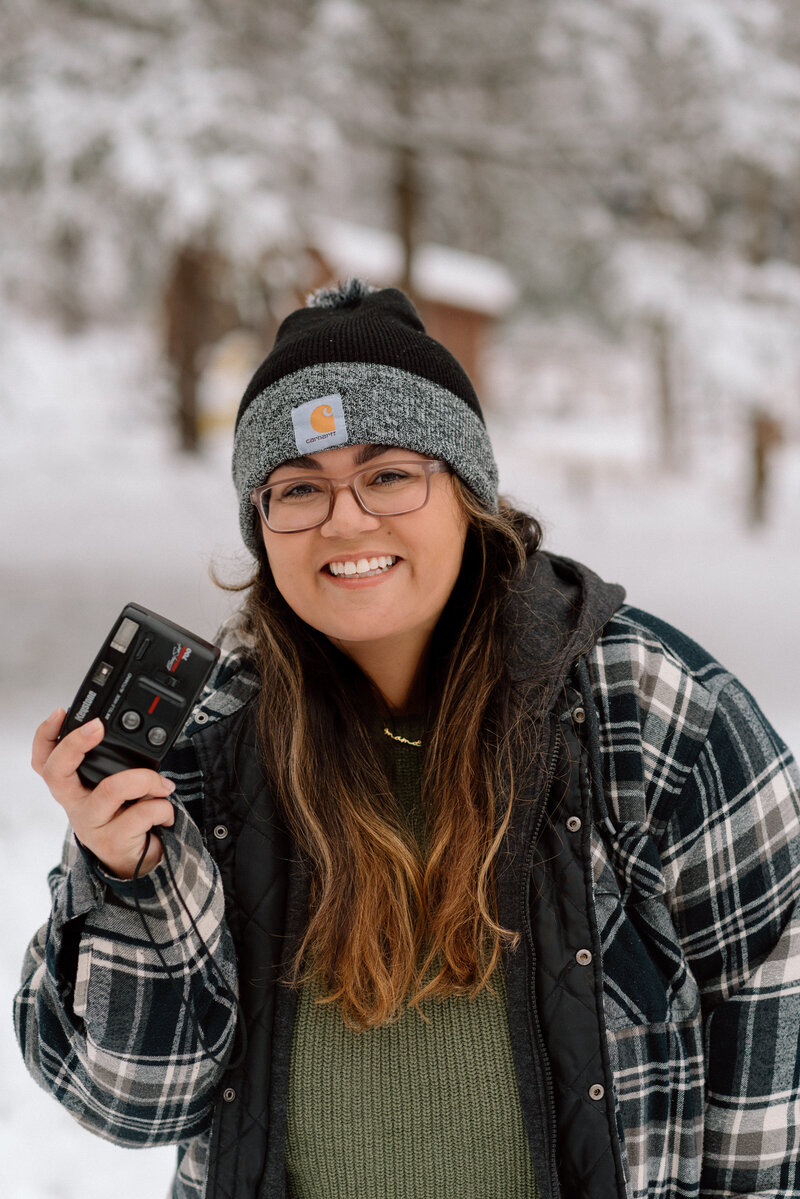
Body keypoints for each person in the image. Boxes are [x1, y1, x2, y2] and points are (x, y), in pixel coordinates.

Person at [15, 280, 800, 1199]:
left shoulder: (652, 709)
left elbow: (772, 1049)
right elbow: (133, 1104)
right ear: (261, 530)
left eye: (388, 474)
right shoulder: (211, 748)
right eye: (298, 489)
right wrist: (125, 876)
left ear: (468, 494)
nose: (346, 520)